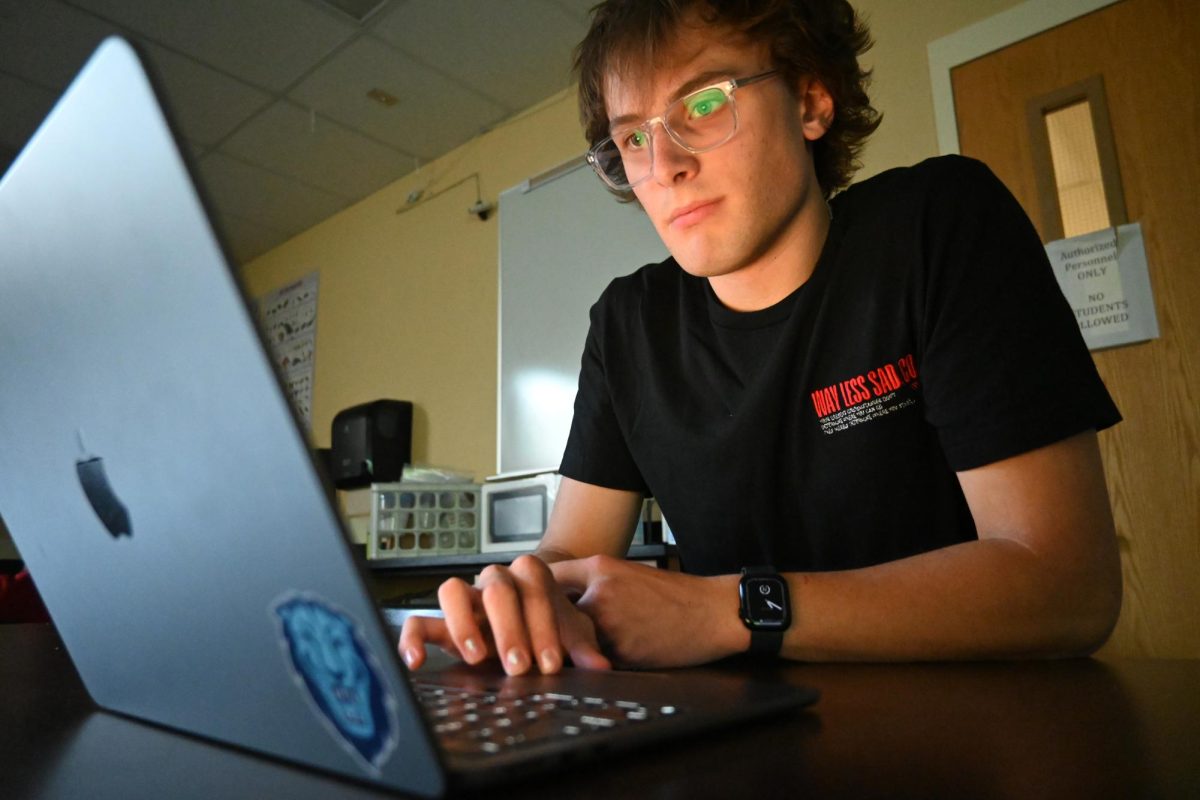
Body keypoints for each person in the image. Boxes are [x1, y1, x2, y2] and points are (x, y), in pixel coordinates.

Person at [400, 0, 1122, 674]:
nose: (665, 165)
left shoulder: (937, 228)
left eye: (706, 104)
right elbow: (572, 556)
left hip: (972, 733)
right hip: (741, 743)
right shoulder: (628, 326)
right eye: (633, 138)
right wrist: (520, 602)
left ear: (810, 99)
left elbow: (1065, 583)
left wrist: (734, 610)